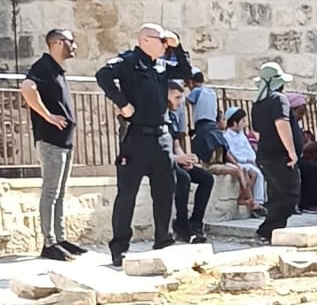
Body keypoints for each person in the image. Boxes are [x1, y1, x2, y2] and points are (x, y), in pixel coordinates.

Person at [96, 23, 192, 267]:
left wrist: (177, 46)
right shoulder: (128, 61)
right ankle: (119, 248)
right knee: (127, 194)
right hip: (136, 137)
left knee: (165, 192)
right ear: (146, 40)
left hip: (161, 137)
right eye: (161, 40)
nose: (164, 44)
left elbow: (185, 71)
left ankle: (163, 241)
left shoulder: (161, 65)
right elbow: (103, 75)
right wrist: (122, 103)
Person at [20, 28, 83, 261]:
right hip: (50, 140)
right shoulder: (43, 67)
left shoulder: (56, 69)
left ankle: (60, 238)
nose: (74, 46)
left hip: (64, 140)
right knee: (50, 191)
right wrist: (48, 116)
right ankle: (49, 243)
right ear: (57, 43)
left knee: (60, 192)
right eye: (70, 41)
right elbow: (27, 88)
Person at [250, 61, 302, 244]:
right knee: (290, 195)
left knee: (276, 196)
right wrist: (291, 152)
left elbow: (257, 132)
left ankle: (274, 233)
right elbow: (282, 124)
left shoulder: (258, 104)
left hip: (265, 156)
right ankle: (266, 231)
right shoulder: (278, 99)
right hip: (280, 157)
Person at [166, 81, 213, 244]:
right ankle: (181, 224)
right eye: (177, 97)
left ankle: (196, 222)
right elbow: (156, 149)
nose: (180, 102)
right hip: (161, 161)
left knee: (206, 179)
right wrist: (177, 159)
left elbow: (175, 145)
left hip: (173, 158)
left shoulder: (172, 117)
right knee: (183, 179)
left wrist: (185, 158)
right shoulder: (157, 116)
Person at [222, 107, 266, 209]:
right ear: (234, 123)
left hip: (248, 162)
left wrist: (253, 159)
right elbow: (233, 153)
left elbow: (249, 149)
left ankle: (259, 200)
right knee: (256, 174)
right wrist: (246, 160)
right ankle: (256, 201)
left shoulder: (242, 135)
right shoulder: (227, 136)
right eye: (242, 121)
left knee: (262, 172)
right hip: (238, 162)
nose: (245, 124)